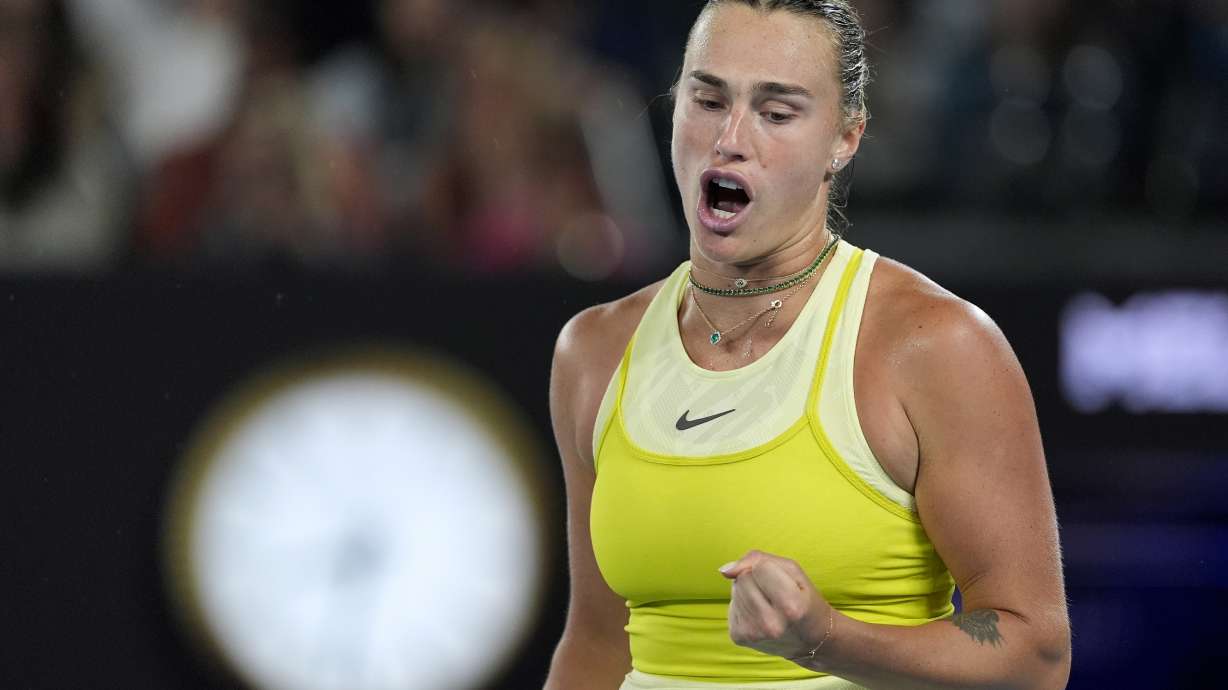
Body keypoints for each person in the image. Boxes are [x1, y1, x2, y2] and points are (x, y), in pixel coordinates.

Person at [545, 1, 1072, 689]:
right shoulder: (592, 351)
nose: (730, 137)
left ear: (845, 137)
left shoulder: (935, 346)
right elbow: (594, 644)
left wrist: (826, 639)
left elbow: (1036, 654)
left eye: (777, 112)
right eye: (707, 99)